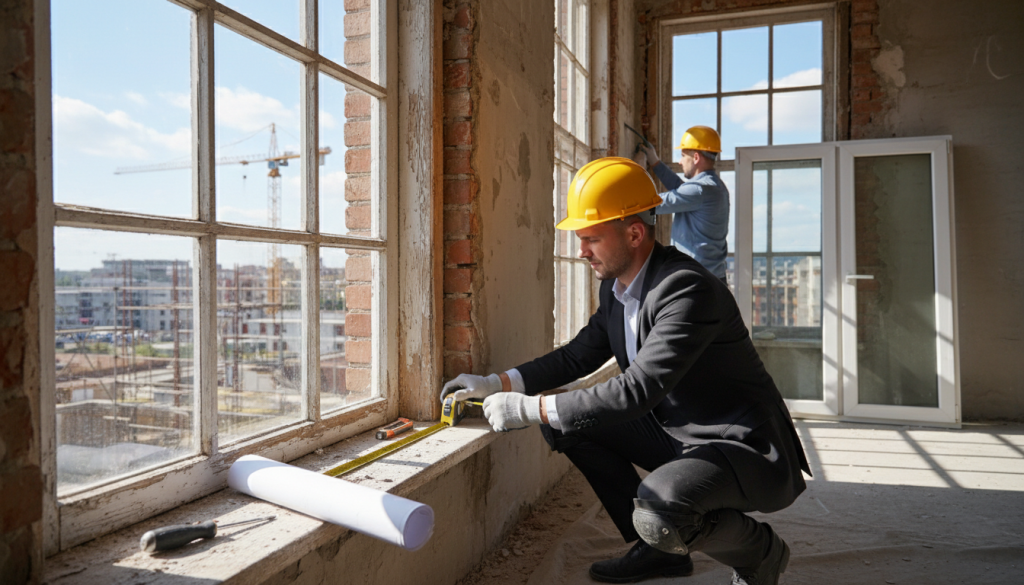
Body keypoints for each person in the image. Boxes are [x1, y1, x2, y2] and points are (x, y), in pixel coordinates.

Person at [440, 157, 809, 585]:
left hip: (739, 446)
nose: (581, 252)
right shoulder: (616, 288)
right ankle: (658, 552)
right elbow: (579, 354)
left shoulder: (686, 289)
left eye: (592, 238)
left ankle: (760, 552)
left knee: (660, 504)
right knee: (568, 426)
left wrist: (530, 408)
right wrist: (496, 383)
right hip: (679, 433)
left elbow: (638, 390)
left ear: (634, 233)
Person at [634, 125, 730, 283]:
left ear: (696, 158)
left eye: (683, 155)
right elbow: (681, 189)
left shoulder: (699, 190)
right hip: (712, 277)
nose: (680, 162)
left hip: (697, 280)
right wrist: (656, 163)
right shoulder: (714, 186)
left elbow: (652, 204)